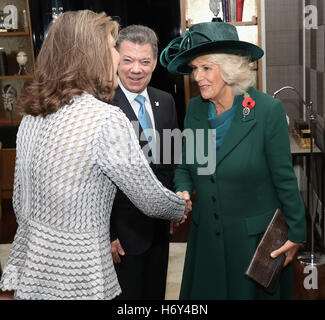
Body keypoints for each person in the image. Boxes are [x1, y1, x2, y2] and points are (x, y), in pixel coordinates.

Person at [0, 10, 189, 300]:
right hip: (81, 274)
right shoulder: (105, 118)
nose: (118, 58)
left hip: (37, 269)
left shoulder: (32, 116)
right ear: (92, 55)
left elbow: (20, 200)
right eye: (114, 47)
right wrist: (180, 207)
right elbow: (149, 198)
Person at [160, 22, 307, 299]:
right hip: (206, 244)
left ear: (228, 69)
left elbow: (284, 179)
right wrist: (182, 189)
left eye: (206, 68)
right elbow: (185, 165)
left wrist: (297, 234)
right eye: (194, 69)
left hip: (252, 246)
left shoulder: (266, 110)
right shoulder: (195, 110)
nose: (197, 77)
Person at [110, 25, 185, 300]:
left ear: (154, 62)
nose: (136, 69)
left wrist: (174, 205)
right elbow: (90, 180)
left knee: (156, 294)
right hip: (122, 234)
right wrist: (107, 234)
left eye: (144, 61)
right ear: (116, 58)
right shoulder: (102, 104)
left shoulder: (165, 101)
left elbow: (172, 159)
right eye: (128, 60)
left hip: (159, 229)